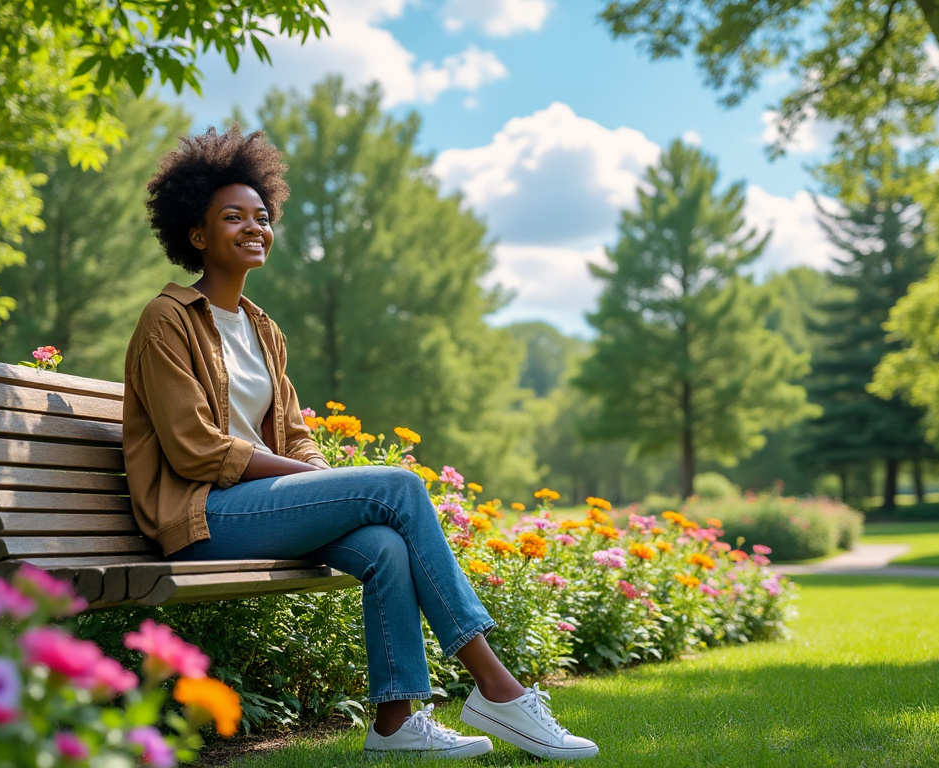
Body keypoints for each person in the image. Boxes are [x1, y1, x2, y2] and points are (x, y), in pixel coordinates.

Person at [121, 126, 598, 760]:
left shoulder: (263, 329)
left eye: (261, 216)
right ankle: (497, 687)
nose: (254, 227)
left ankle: (395, 724)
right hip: (201, 515)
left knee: (384, 546)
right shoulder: (167, 319)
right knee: (397, 485)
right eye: (232, 217)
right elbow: (194, 450)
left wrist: (315, 476)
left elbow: (295, 434)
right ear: (197, 234)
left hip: (260, 506)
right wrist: (309, 480)